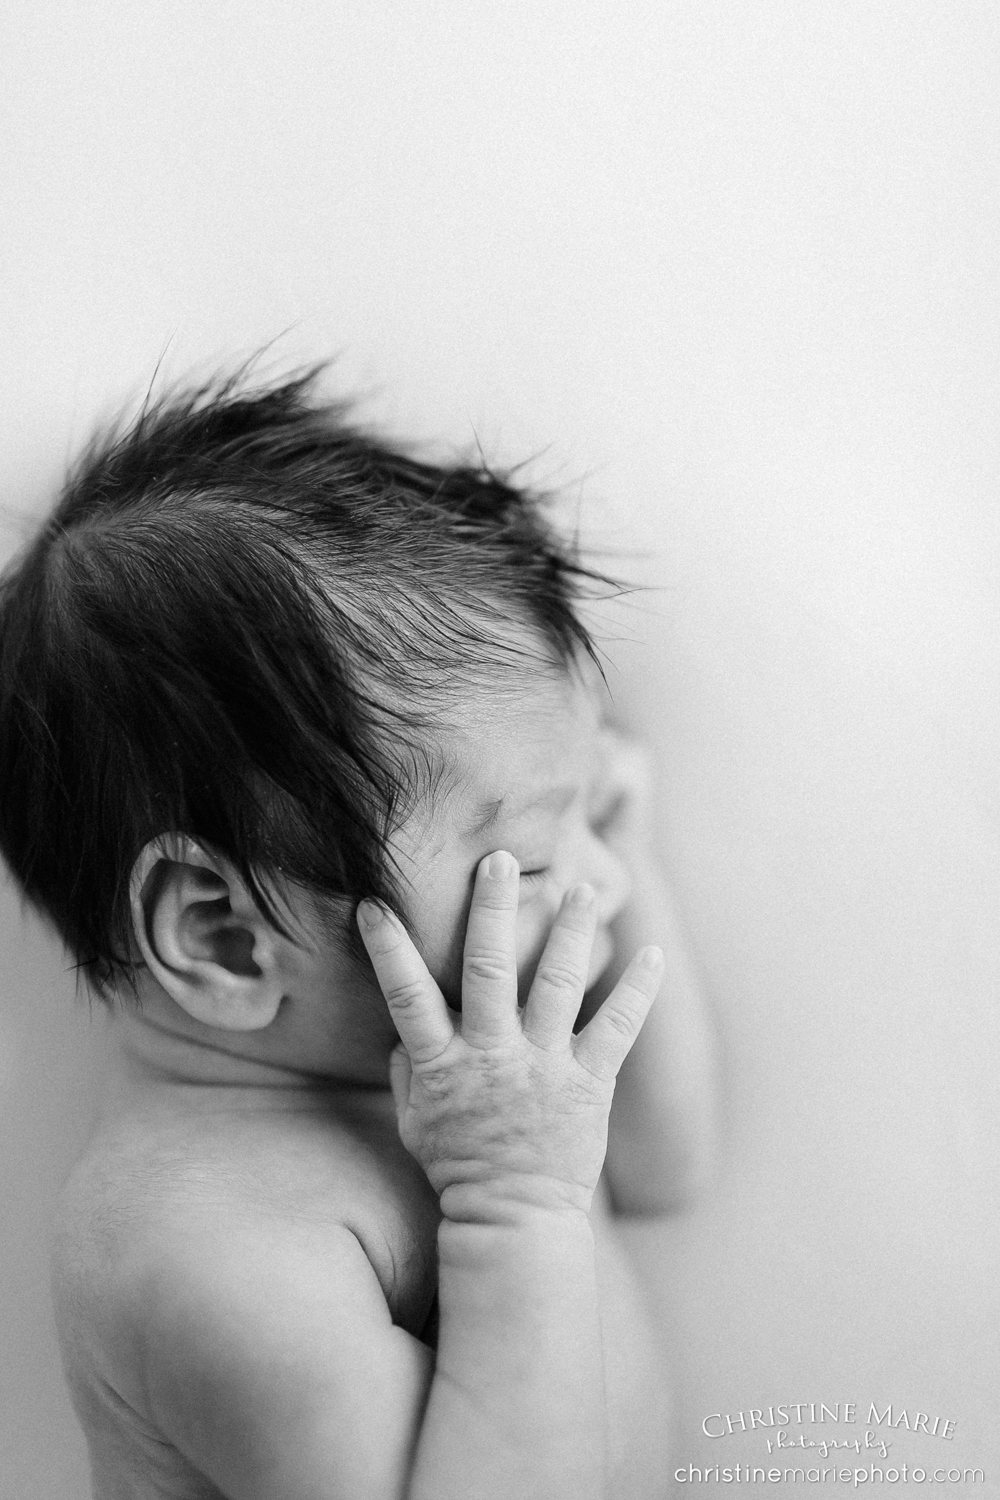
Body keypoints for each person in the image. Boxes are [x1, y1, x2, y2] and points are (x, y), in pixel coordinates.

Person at [0, 366, 717, 1499]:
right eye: (529, 860)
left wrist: (614, 851)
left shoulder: (459, 1071)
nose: (592, 887)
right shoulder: (212, 1251)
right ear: (227, 938)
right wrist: (515, 1210)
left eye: (584, 815)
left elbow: (666, 1164)